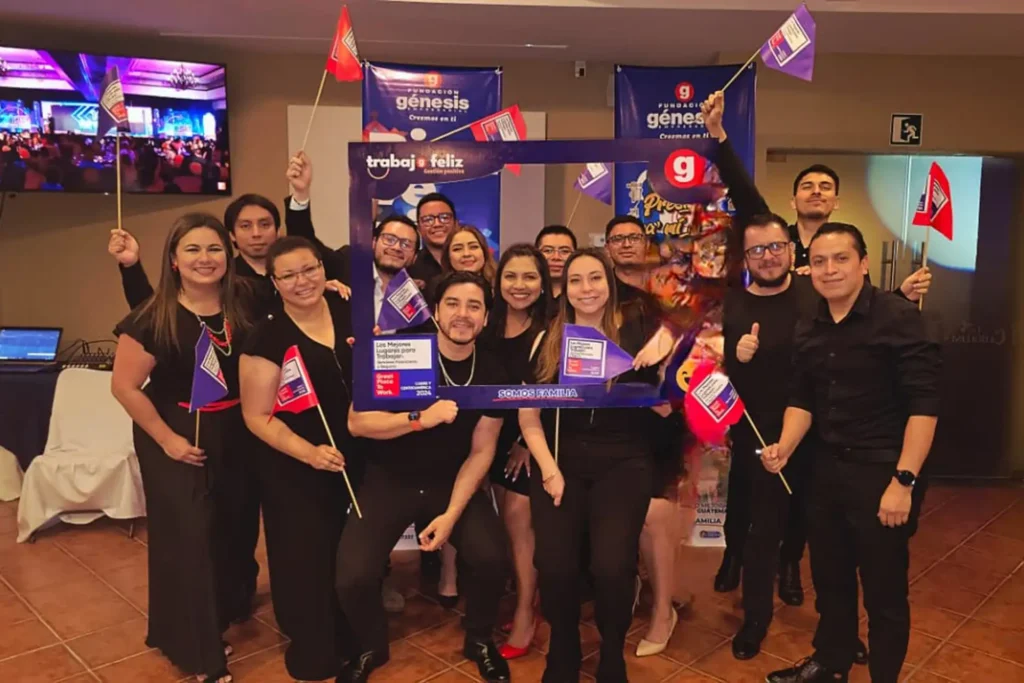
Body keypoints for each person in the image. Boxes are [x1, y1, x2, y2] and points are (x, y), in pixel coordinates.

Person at [700, 90, 930, 610]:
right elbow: (745, 196)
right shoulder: (773, 240)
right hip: (761, 407)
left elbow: (862, 313)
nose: (816, 193)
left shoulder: (840, 254)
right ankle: (736, 557)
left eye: (826, 187)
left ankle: (789, 566)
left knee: (802, 501)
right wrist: (719, 137)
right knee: (749, 495)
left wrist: (900, 296)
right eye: (808, 185)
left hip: (816, 409)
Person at [761, 223, 940, 683]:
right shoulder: (810, 324)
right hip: (825, 471)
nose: (830, 269)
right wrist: (785, 446)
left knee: (884, 590)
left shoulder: (899, 318)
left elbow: (924, 405)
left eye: (841, 258)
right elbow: (802, 398)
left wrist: (904, 482)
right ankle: (832, 660)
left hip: (884, 472)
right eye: (819, 261)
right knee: (830, 577)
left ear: (863, 263)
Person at [335, 271, 512, 683]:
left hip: (450, 481)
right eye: (452, 304)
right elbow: (358, 424)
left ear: (486, 318)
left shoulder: (493, 368)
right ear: (435, 311)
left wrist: (451, 515)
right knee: (353, 576)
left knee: (491, 558)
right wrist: (418, 419)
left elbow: (482, 450)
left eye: (474, 306)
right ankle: (370, 647)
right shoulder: (401, 350)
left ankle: (479, 640)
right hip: (388, 478)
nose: (462, 314)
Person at [110, 213, 254, 683]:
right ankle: (198, 653)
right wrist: (168, 440)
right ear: (174, 259)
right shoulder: (151, 317)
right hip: (175, 434)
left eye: (214, 248)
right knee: (190, 540)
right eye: (192, 249)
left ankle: (216, 618)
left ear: (228, 254)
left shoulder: (245, 302)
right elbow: (124, 387)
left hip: (235, 431)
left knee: (229, 531)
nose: (204, 258)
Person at [520, 248, 671, 683]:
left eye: (595, 278)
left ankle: (612, 652)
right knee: (555, 566)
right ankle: (563, 648)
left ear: (610, 283)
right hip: (559, 462)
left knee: (612, 568)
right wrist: (549, 469)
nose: (586, 289)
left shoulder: (640, 333)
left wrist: (665, 363)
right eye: (576, 280)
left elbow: (669, 403)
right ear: (564, 289)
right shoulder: (546, 339)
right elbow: (528, 416)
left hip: (623, 463)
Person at [238, 236, 360, 681]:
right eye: (288, 275)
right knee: (306, 559)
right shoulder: (265, 336)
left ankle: (354, 634)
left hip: (354, 455)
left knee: (348, 553)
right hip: (295, 463)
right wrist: (309, 453)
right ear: (274, 282)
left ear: (324, 268)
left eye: (309, 269)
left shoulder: (349, 311)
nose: (301, 281)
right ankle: (313, 645)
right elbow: (256, 416)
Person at [722, 212, 820, 660]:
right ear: (746, 258)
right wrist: (736, 356)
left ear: (791, 250)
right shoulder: (733, 306)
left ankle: (837, 628)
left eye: (776, 246)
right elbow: (714, 373)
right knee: (761, 530)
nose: (767, 257)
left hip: (817, 433)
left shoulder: (815, 295)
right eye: (757, 250)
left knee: (821, 529)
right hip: (759, 436)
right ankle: (756, 618)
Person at [603, 215, 683, 656]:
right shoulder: (600, 294)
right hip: (614, 421)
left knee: (655, 516)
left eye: (633, 237)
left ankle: (662, 611)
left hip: (661, 420)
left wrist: (671, 390)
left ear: (646, 243)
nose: (626, 245)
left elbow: (702, 346)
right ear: (607, 248)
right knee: (621, 515)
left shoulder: (671, 291)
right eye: (617, 239)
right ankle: (636, 584)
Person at [481, 244, 554, 660]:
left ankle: (527, 610)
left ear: (543, 284)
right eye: (511, 276)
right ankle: (528, 596)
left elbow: (553, 392)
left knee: (517, 518)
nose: (519, 285)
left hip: (532, 440)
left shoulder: (551, 330)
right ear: (498, 281)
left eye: (529, 276)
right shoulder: (485, 324)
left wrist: (527, 442)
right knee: (506, 527)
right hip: (489, 438)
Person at [408, 192, 458, 284]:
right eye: (428, 219)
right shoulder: (409, 268)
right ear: (419, 228)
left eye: (444, 218)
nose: (437, 224)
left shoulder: (470, 260)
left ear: (456, 223)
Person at [534, 225, 577, 299]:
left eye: (565, 251)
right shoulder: (528, 294)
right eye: (548, 250)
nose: (556, 257)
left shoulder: (582, 294)